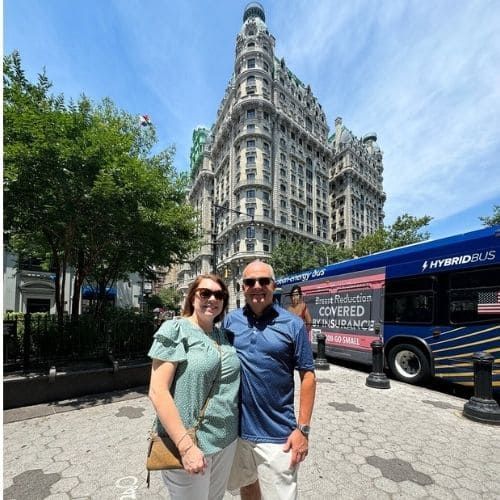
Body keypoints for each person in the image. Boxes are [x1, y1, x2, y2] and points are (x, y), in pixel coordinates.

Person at [223, 260, 316, 500]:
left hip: (279, 436)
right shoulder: (231, 322)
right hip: (238, 432)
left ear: (274, 286)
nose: (257, 286)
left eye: (264, 281)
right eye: (250, 282)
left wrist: (303, 430)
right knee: (248, 487)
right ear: (242, 287)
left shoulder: (293, 324)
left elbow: (308, 376)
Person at [148, 274, 240, 500]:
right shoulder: (175, 329)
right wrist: (186, 446)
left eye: (219, 295)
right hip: (190, 443)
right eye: (205, 293)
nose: (212, 299)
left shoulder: (223, 336)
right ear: (192, 297)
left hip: (226, 440)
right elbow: (157, 391)